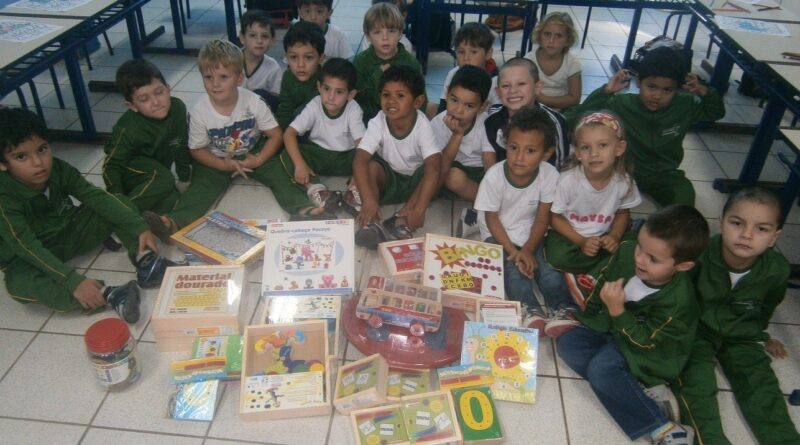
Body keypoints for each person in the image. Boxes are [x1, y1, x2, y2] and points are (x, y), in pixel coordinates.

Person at [0, 108, 180, 324]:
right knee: (17, 285)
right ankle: (111, 295)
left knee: (118, 203)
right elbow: (26, 245)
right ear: (2, 164)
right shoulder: (4, 197)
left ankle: (147, 263)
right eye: (21, 156)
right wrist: (72, 281)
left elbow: (93, 196)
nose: (38, 162)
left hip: (69, 232)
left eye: (42, 149)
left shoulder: (58, 168)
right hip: (27, 255)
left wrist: (139, 226)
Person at [142, 39, 327, 240]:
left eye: (223, 76)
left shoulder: (253, 101)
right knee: (200, 190)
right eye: (208, 77)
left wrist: (258, 160)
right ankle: (172, 222)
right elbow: (196, 150)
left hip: (254, 149)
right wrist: (222, 165)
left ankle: (301, 208)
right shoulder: (199, 111)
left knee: (281, 174)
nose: (215, 83)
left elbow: (275, 135)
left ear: (239, 78)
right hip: (216, 157)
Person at [557, 205, 710, 445]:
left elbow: (647, 342)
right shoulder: (628, 251)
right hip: (611, 328)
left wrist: (618, 311)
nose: (639, 258)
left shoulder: (679, 301)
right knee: (568, 343)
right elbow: (603, 280)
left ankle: (665, 426)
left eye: (653, 259)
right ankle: (631, 388)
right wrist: (592, 312)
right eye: (640, 246)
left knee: (601, 370)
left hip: (646, 349)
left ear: (682, 266)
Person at [673, 187, 800, 445]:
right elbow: (677, 293)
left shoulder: (777, 270)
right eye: (737, 223)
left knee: (762, 389)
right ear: (720, 223)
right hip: (696, 331)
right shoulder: (699, 253)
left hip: (742, 334)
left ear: (775, 237)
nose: (746, 234)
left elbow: (767, 306)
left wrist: (761, 335)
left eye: (761, 229)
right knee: (696, 386)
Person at [564, 46, 725, 207]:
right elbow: (573, 120)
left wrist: (704, 91)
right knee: (591, 196)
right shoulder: (622, 104)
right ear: (639, 81)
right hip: (622, 170)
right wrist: (606, 91)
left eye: (667, 90)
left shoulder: (685, 105)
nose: (657, 96)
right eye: (651, 86)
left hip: (665, 174)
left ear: (678, 89)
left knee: (685, 198)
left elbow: (716, 113)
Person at [474, 107, 578, 338]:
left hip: (532, 231)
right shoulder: (494, 176)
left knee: (548, 269)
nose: (519, 157)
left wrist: (530, 249)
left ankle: (563, 308)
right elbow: (491, 219)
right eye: (513, 148)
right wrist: (514, 251)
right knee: (513, 269)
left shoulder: (550, 175)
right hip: (498, 234)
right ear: (506, 145)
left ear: (546, 153)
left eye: (530, 150)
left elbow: (543, 217)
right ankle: (529, 309)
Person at [466, 57, 569, 237]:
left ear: (538, 87)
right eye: (506, 86)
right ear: (498, 91)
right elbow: (490, 166)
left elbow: (558, 173)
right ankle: (481, 215)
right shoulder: (492, 119)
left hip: (538, 190)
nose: (513, 91)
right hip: (505, 185)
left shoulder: (553, 123)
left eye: (521, 83)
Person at [347, 65, 441, 249]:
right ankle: (371, 223)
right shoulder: (378, 121)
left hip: (415, 184)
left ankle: (403, 220)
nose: (391, 101)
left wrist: (420, 209)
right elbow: (359, 160)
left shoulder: (422, 125)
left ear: (417, 102)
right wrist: (368, 200)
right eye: (385, 95)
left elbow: (433, 167)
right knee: (371, 167)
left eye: (400, 95)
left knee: (438, 166)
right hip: (389, 179)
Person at [546, 111, 641, 275]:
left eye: (602, 145)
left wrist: (615, 236)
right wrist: (581, 241)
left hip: (604, 233)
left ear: (619, 148)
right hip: (570, 234)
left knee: (632, 248)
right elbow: (554, 217)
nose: (594, 154)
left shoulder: (624, 182)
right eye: (585, 147)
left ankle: (597, 269)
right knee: (558, 257)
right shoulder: (568, 181)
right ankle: (601, 269)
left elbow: (622, 212)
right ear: (578, 153)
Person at [103, 59, 191, 216]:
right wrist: (117, 199)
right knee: (164, 178)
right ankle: (117, 218)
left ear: (168, 89)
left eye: (159, 92)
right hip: (131, 175)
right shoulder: (128, 128)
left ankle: (139, 218)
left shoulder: (178, 108)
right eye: (144, 99)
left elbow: (181, 144)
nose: (156, 102)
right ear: (132, 106)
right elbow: (111, 166)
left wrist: (184, 179)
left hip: (156, 177)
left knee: (173, 200)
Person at [280, 57, 365, 212]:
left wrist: (358, 174)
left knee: (372, 157)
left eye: (339, 92)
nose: (331, 97)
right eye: (326, 89)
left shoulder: (353, 109)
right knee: (287, 154)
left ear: (350, 94)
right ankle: (317, 189)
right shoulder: (315, 104)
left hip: (346, 158)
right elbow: (289, 133)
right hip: (318, 155)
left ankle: (353, 192)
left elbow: (361, 143)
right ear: (319, 87)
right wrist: (300, 164)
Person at [353, 2, 427, 121]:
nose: (385, 37)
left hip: (403, 121)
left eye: (391, 31)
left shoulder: (411, 63)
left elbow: (421, 99)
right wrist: (379, 77)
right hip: (368, 121)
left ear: (400, 33)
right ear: (368, 36)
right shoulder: (360, 62)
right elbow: (355, 100)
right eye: (377, 32)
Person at [431, 65, 494, 204]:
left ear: (482, 107)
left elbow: (490, 166)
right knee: (446, 176)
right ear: (447, 95)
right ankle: (487, 202)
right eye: (454, 100)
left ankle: (492, 204)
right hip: (449, 169)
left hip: (479, 172)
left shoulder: (486, 123)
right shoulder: (437, 123)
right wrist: (457, 136)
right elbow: (441, 165)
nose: (458, 110)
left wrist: (494, 189)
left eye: (469, 106)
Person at [523, 11, 582, 111]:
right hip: (532, 108)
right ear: (539, 36)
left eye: (558, 36)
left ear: (568, 40)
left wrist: (543, 99)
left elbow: (575, 99)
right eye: (547, 34)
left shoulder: (572, 63)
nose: (551, 41)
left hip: (562, 110)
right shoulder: (529, 60)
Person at [438, 22, 500, 113]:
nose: (466, 58)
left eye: (474, 52)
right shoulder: (453, 74)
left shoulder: (496, 82)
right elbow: (443, 107)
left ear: (488, 54)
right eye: (461, 52)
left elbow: (498, 116)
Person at [276, 20, 326, 129]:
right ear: (286, 57)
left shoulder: (325, 80)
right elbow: (285, 108)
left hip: (318, 127)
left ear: (321, 58)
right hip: (293, 126)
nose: (301, 64)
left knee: (304, 110)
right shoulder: (287, 76)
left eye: (308, 57)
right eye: (293, 57)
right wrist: (281, 134)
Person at [239, 10, 283, 112]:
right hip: (232, 108)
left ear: (272, 40)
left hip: (259, 113)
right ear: (242, 38)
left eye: (265, 36)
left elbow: (276, 97)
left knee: (260, 94)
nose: (259, 41)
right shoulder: (230, 61)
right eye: (252, 35)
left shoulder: (273, 67)